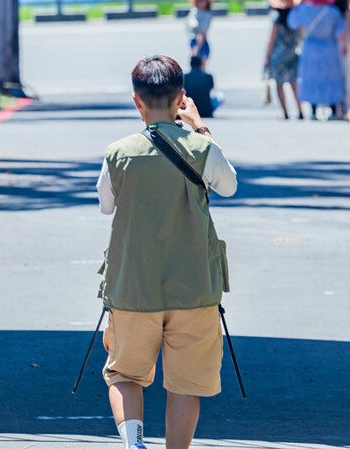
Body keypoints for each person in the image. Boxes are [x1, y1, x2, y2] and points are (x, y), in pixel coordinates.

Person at [96, 55, 238, 449]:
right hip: (194, 286)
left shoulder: (119, 152)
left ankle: (135, 444)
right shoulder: (201, 147)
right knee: (185, 383)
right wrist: (200, 127)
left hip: (133, 284)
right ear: (181, 99)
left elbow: (106, 205)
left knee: (124, 374)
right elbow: (228, 186)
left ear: (136, 101)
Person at [287, 0, 347, 120]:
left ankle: (313, 110)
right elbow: (340, 32)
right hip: (329, 48)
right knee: (331, 77)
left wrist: (299, 3)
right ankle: (333, 108)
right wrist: (345, 47)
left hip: (310, 49)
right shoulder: (333, 11)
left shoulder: (304, 9)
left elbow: (292, 22)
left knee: (311, 77)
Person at [263, 0, 303, 119]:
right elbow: (301, 35)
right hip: (293, 53)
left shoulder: (276, 17)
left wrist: (267, 56)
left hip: (278, 54)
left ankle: (285, 112)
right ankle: (300, 110)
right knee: (294, 83)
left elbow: (272, 39)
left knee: (279, 84)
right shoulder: (296, 16)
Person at [186, 0, 214, 70]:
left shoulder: (207, 15)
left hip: (200, 44)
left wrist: (196, 48)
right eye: (198, 0)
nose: (199, 2)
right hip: (193, 41)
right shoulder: (194, 12)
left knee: (201, 68)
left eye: (202, 0)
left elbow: (202, 33)